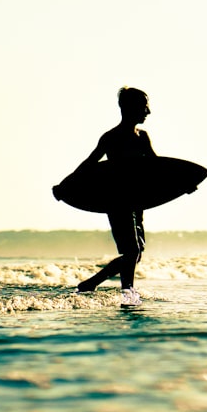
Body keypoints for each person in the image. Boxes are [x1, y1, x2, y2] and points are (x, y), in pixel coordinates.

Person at [58, 87, 156, 306]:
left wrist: (183, 183)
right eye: (144, 106)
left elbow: (156, 167)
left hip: (137, 202)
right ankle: (97, 284)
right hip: (118, 201)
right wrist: (65, 186)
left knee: (136, 252)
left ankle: (127, 294)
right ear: (129, 108)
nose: (148, 111)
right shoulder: (112, 138)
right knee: (132, 251)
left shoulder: (142, 138)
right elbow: (89, 164)